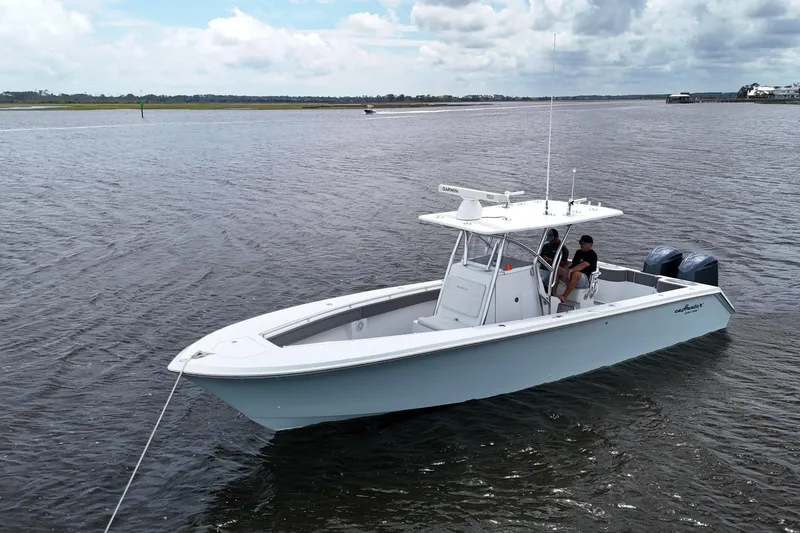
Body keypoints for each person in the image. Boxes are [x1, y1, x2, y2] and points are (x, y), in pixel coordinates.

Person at [554, 235, 598, 303]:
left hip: (585, 279)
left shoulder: (592, 255)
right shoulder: (578, 252)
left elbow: (583, 265)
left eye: (583, 243)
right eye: (580, 243)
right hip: (572, 274)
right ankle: (553, 293)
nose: (581, 245)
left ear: (590, 244)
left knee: (576, 274)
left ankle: (564, 296)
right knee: (557, 269)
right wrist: (566, 268)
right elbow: (573, 264)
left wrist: (570, 271)